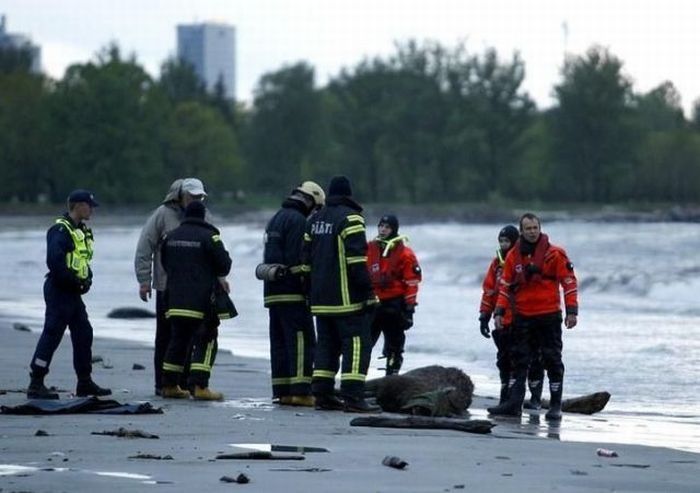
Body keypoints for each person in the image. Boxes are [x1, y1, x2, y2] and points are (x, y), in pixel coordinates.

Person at [488, 213, 578, 420]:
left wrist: (572, 311)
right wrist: (499, 312)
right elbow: (505, 287)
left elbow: (569, 283)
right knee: (519, 360)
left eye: (535, 228)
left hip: (549, 316)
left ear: (540, 228)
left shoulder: (555, 254)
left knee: (552, 359)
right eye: (528, 228)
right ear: (521, 231)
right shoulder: (513, 256)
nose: (532, 231)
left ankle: (555, 405)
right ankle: (514, 403)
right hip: (523, 316)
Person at [301, 175, 380, 413]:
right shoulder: (352, 219)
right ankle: (354, 397)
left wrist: (310, 294)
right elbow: (356, 261)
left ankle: (323, 395)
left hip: (321, 300)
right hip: (347, 301)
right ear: (349, 194)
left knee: (326, 346)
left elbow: (305, 263)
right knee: (356, 345)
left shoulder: (314, 220)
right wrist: (368, 294)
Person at [27, 189, 111, 399]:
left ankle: (84, 382)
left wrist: (87, 279)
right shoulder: (60, 230)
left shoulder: (80, 231)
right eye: (90, 205)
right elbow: (55, 262)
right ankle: (36, 382)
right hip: (59, 290)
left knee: (84, 333)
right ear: (78, 205)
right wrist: (74, 282)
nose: (92, 209)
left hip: (73, 293)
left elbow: (81, 260)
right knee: (52, 334)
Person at [134, 177, 208, 396]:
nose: (196, 201)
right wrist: (144, 281)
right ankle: (162, 384)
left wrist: (219, 279)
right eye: (192, 197)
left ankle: (183, 383)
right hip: (166, 287)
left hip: (195, 289)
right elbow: (144, 248)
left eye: (200, 197)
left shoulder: (203, 215)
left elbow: (212, 246)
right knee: (166, 337)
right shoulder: (162, 215)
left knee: (191, 337)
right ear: (180, 196)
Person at [160, 200, 232, 400]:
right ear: (203, 216)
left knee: (177, 342)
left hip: (174, 300)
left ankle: (169, 385)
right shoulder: (210, 237)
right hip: (201, 302)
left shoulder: (170, 237)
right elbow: (224, 265)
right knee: (207, 340)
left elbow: (164, 263)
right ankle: (200, 386)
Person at [262, 181, 326, 407]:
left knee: (279, 343)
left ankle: (282, 391)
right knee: (301, 341)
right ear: (310, 201)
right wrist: (310, 286)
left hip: (272, 293)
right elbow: (299, 261)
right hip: (292, 292)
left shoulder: (276, 218)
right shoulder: (299, 221)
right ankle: (300, 391)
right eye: (316, 208)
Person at [478, 225, 545, 407]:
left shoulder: (526, 261)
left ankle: (535, 397)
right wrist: (484, 315)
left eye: (507, 240)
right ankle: (506, 395)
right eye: (501, 241)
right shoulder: (496, 264)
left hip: (524, 318)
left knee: (532, 358)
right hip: (503, 319)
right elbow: (489, 291)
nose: (503, 244)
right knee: (504, 359)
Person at [367, 214, 422, 375]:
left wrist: (410, 308)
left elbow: (412, 282)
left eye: (387, 227)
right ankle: (356, 379)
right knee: (364, 343)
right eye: (381, 226)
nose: (383, 229)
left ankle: (391, 377)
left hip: (394, 305)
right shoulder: (369, 249)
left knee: (395, 346)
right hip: (372, 303)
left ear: (394, 230)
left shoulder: (405, 254)